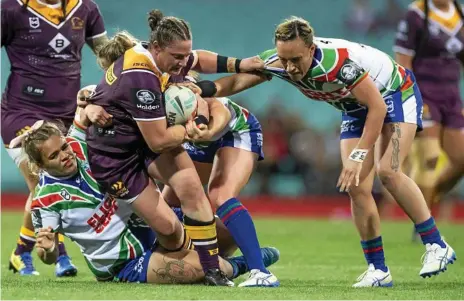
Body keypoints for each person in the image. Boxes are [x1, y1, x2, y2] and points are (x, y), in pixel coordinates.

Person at [204, 16, 457, 287]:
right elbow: (236, 82)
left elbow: (377, 108)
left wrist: (359, 155)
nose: (290, 68)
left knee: (388, 172)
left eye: (296, 60)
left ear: (311, 50)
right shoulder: (278, 61)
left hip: (394, 93)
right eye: (284, 59)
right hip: (353, 106)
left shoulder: (338, 64)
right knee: (357, 186)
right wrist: (205, 89)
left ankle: (436, 244)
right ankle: (378, 270)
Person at [85, 10, 261, 286]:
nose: (183, 63)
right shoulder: (140, 76)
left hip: (143, 140)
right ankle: (186, 256)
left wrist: (240, 64)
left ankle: (212, 269)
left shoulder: (166, 57)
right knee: (168, 230)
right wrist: (189, 131)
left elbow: (198, 58)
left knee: (191, 187)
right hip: (115, 157)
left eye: (184, 55)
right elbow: (159, 140)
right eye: (177, 57)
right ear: (155, 48)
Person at [10, 108, 279, 284]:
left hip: (150, 225)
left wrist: (90, 106)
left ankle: (230, 259)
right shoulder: (45, 199)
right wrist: (47, 250)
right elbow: (48, 251)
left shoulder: (81, 146)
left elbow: (90, 104)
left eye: (63, 147)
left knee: (228, 233)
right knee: (201, 269)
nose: (65, 156)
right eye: (54, 156)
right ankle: (242, 265)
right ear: (42, 166)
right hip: (123, 262)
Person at [1, 0, 108, 276]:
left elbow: (107, 57)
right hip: (21, 113)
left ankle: (21, 252)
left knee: (63, 179)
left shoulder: (85, 8)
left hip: (67, 116)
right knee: (42, 180)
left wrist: (138, 59)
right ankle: (59, 256)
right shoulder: (11, 9)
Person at [160, 72, 279, 287]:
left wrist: (208, 132)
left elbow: (220, 111)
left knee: (220, 195)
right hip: (198, 139)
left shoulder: (189, 89)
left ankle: (261, 272)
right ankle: (217, 259)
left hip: (235, 130)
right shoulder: (151, 94)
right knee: (169, 204)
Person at [394, 0, 464, 225]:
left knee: (461, 159)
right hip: (424, 94)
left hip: (451, 96)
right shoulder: (417, 14)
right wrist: (413, 97)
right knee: (430, 158)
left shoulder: (460, 14)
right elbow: (403, 61)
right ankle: (423, 225)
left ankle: (428, 199)